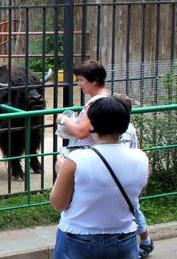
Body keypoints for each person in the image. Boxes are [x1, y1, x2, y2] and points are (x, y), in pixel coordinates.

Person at [50, 96, 150, 259]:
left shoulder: (75, 160)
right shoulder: (141, 159)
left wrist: (62, 171)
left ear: (92, 125)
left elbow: (58, 203)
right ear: (125, 124)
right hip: (124, 239)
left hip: (77, 238)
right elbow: (136, 195)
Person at [113, 94, 154, 258]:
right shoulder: (128, 128)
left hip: (125, 176)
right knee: (131, 209)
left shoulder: (125, 131)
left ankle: (145, 241)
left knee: (134, 211)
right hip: (126, 175)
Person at [57, 59, 110, 146]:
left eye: (81, 80)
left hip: (89, 152)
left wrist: (63, 119)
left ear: (94, 81)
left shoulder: (94, 103)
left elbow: (81, 132)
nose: (79, 84)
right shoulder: (107, 98)